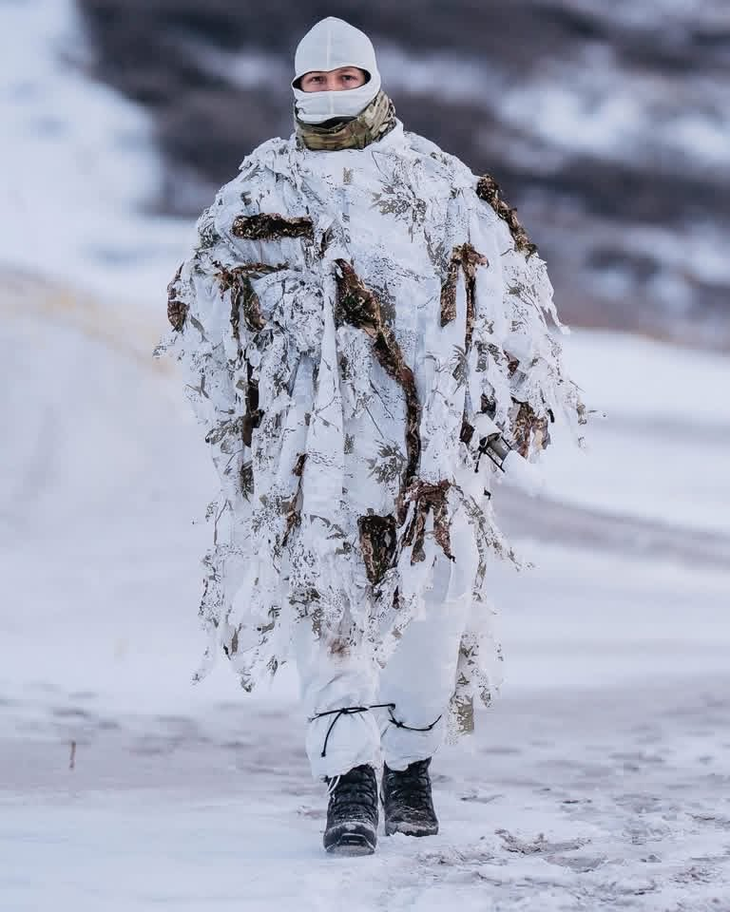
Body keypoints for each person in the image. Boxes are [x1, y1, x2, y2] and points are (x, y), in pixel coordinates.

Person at [161, 16, 586, 855]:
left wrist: (496, 407)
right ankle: (348, 780)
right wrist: (249, 412)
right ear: (294, 88)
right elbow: (201, 306)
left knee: (437, 600)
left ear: (374, 75)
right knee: (325, 606)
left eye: (343, 76)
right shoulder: (259, 187)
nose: (328, 92)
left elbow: (506, 291)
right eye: (313, 82)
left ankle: (411, 766)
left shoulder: (436, 178)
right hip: (310, 450)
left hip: (430, 449)